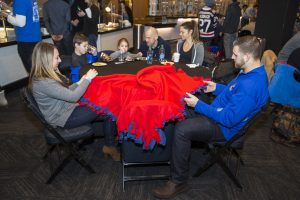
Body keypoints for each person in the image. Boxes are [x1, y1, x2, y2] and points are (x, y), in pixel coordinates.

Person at [152, 35, 269, 199]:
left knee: (182, 130)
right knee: (178, 109)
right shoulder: (250, 72)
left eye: (235, 55)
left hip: (225, 129)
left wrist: (199, 105)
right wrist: (216, 87)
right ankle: (170, 155)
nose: (232, 58)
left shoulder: (252, 86)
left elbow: (229, 119)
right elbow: (233, 92)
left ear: (247, 56)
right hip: (220, 114)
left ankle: (178, 181)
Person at [29, 42, 120, 161]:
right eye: (56, 58)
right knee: (107, 107)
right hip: (62, 118)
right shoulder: (44, 82)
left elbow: (63, 92)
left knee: (105, 107)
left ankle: (109, 145)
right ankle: (110, 145)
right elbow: (73, 97)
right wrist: (87, 79)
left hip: (65, 109)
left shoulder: (43, 76)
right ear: (46, 60)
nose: (60, 60)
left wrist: (78, 82)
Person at [0, 0, 41, 73]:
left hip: (26, 40)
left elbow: (20, 22)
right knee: (38, 70)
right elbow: (23, 12)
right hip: (35, 38)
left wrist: (6, 15)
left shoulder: (19, 1)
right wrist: (8, 7)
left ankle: (37, 84)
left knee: (33, 72)